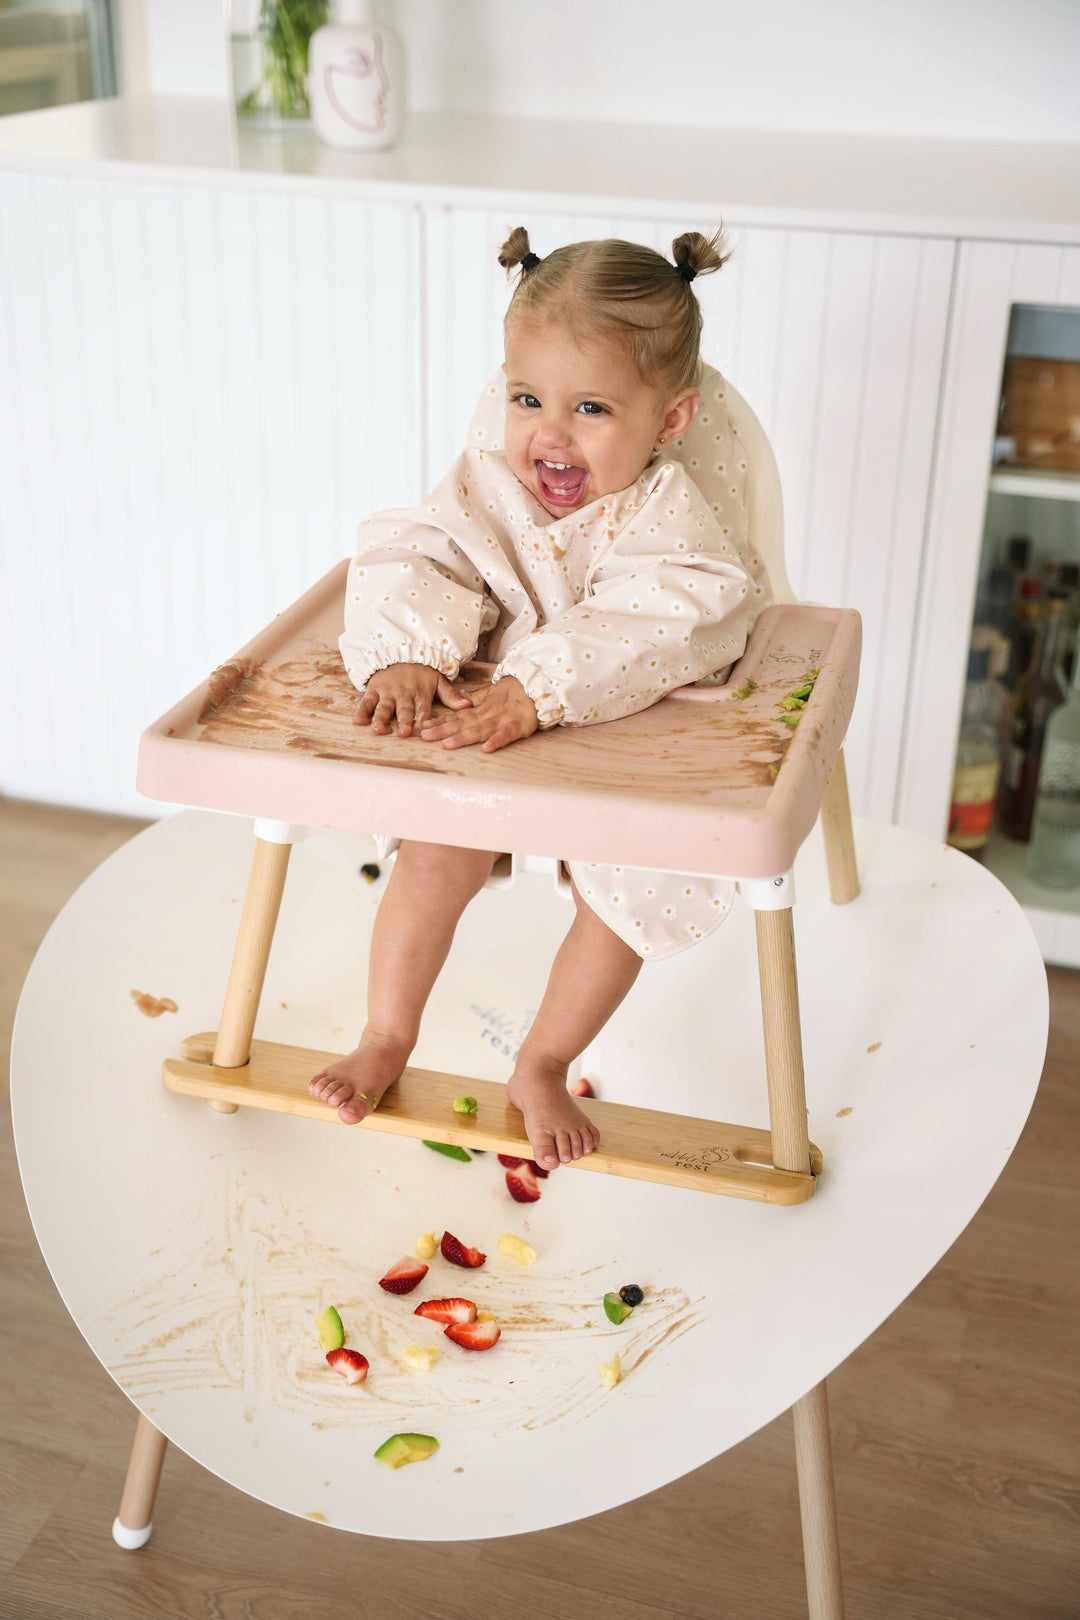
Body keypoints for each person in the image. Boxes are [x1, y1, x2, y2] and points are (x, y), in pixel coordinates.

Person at [309, 226, 770, 1170]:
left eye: (592, 407)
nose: (549, 434)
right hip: (495, 719)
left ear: (670, 421)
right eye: (526, 399)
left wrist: (541, 684)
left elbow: (667, 618)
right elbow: (420, 550)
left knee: (626, 894)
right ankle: (386, 1036)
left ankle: (546, 1062)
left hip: (627, 726)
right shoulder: (491, 483)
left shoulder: (671, 517)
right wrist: (405, 650)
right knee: (438, 851)